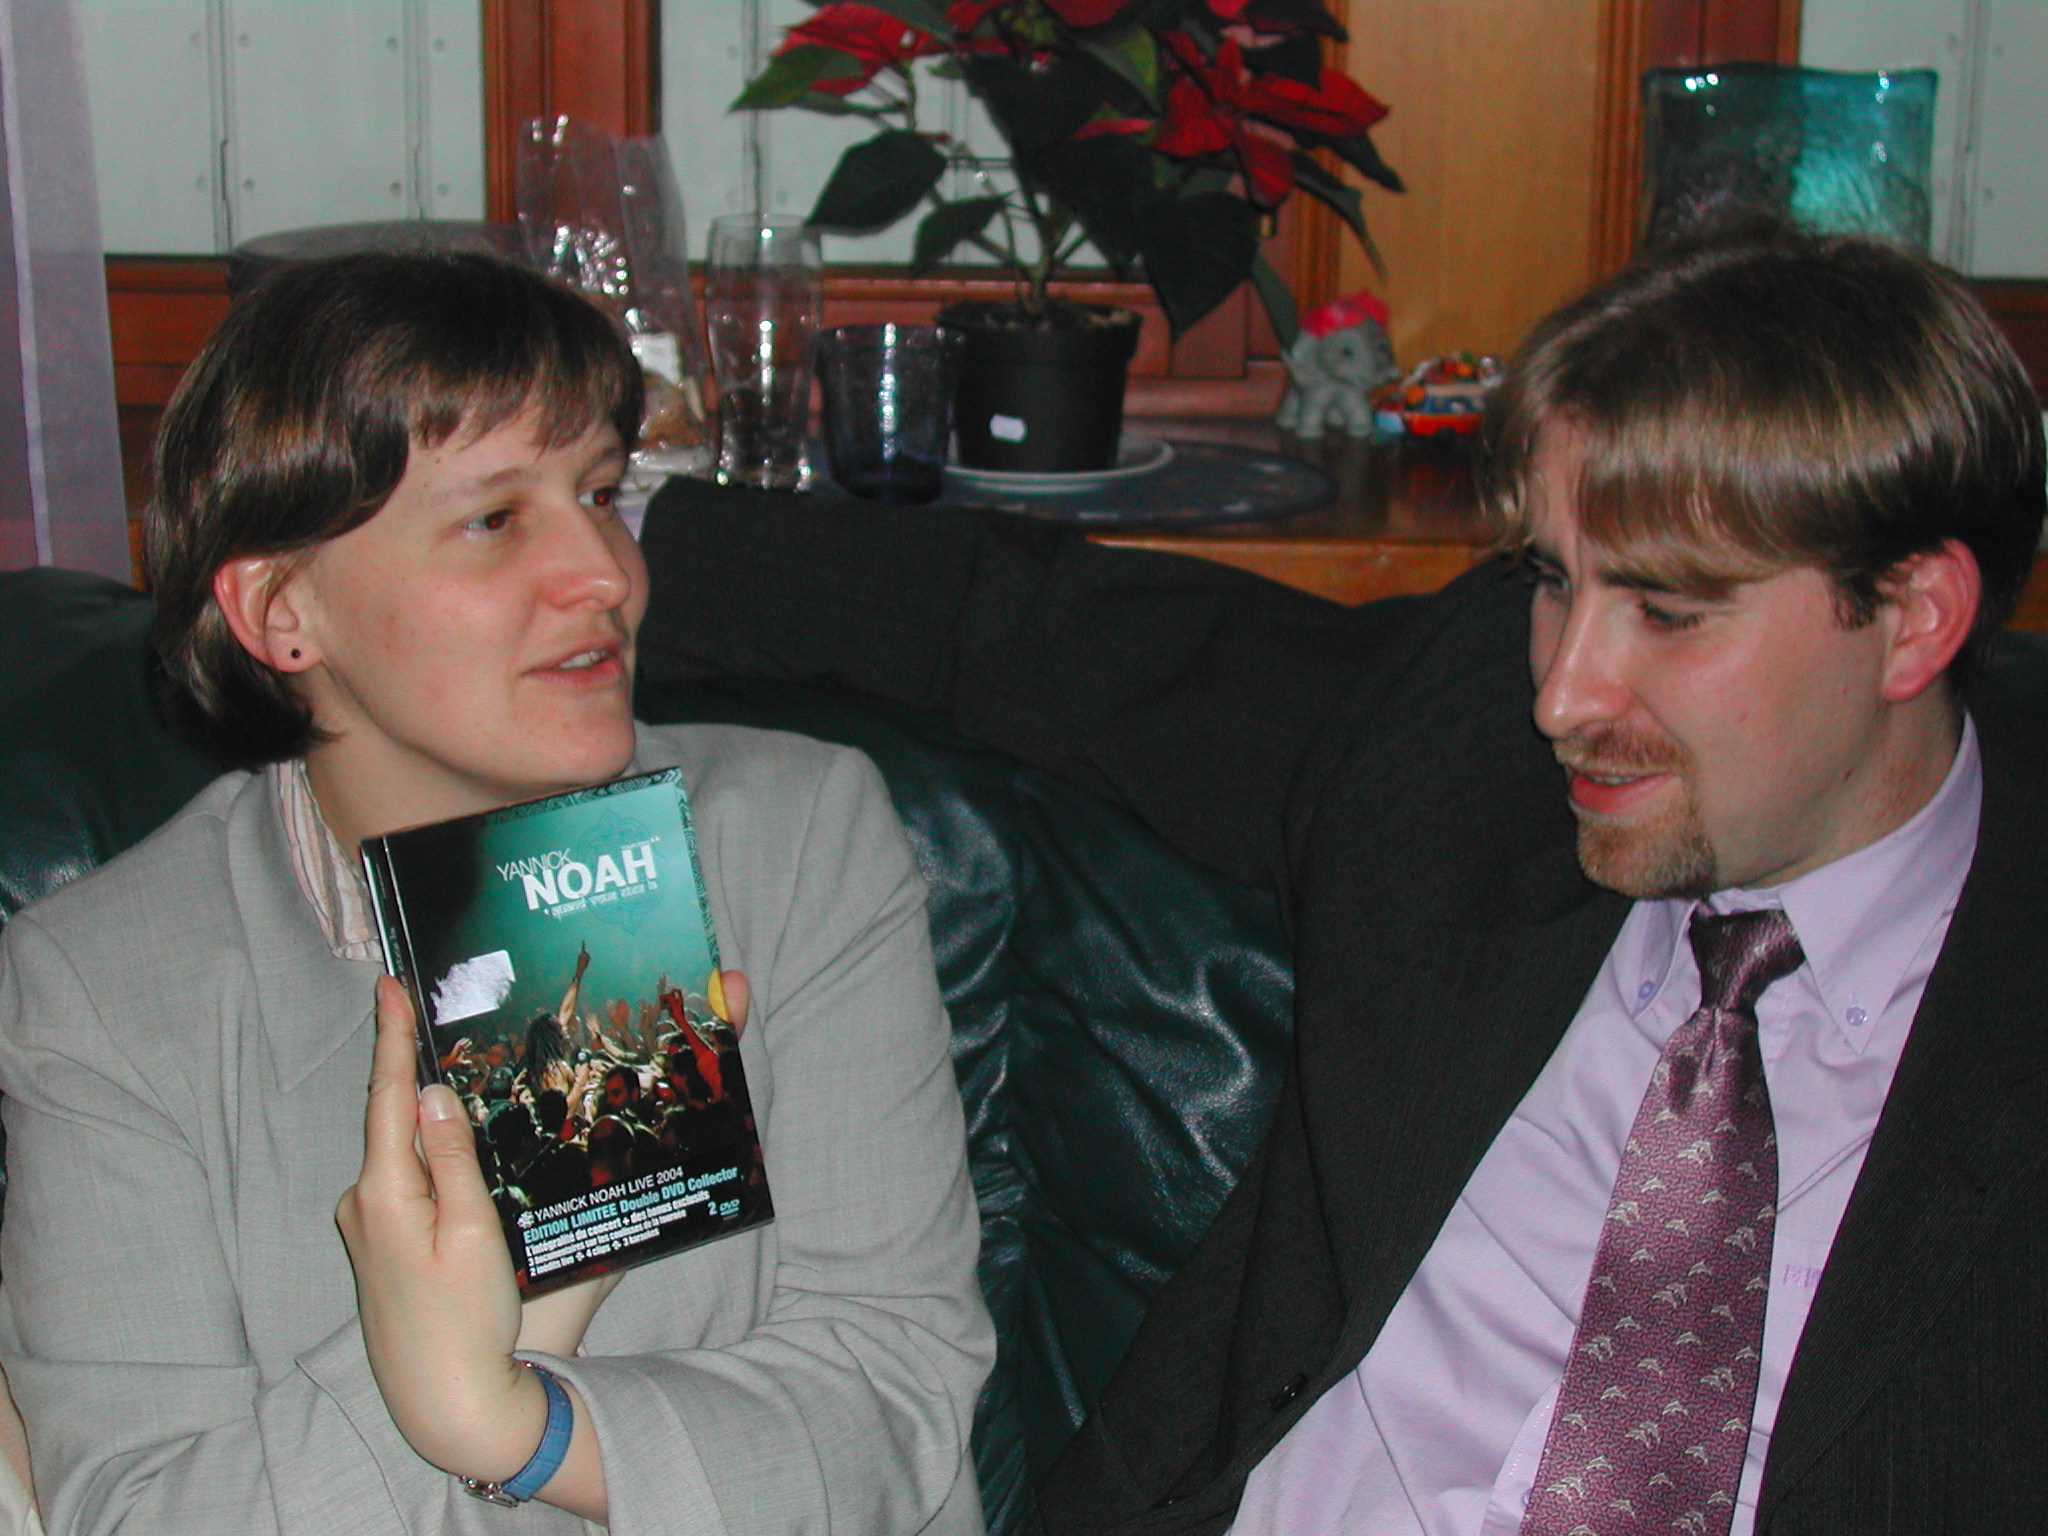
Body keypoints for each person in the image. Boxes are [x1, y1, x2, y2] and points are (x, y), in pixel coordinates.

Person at [632, 221, 2048, 1534]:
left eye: (1668, 614)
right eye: (1555, 580)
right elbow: (1028, 627)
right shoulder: (1458, 752)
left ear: (1912, 617)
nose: (1563, 692)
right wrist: (590, 554)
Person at [0, 253, 992, 1533]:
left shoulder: (791, 839)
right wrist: (472, 1336)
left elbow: (897, 1400)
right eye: (494, 520)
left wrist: (507, 1424)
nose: (606, 575)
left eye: (598, 493)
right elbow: (143, 1515)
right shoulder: (102, 987)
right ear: (282, 609)